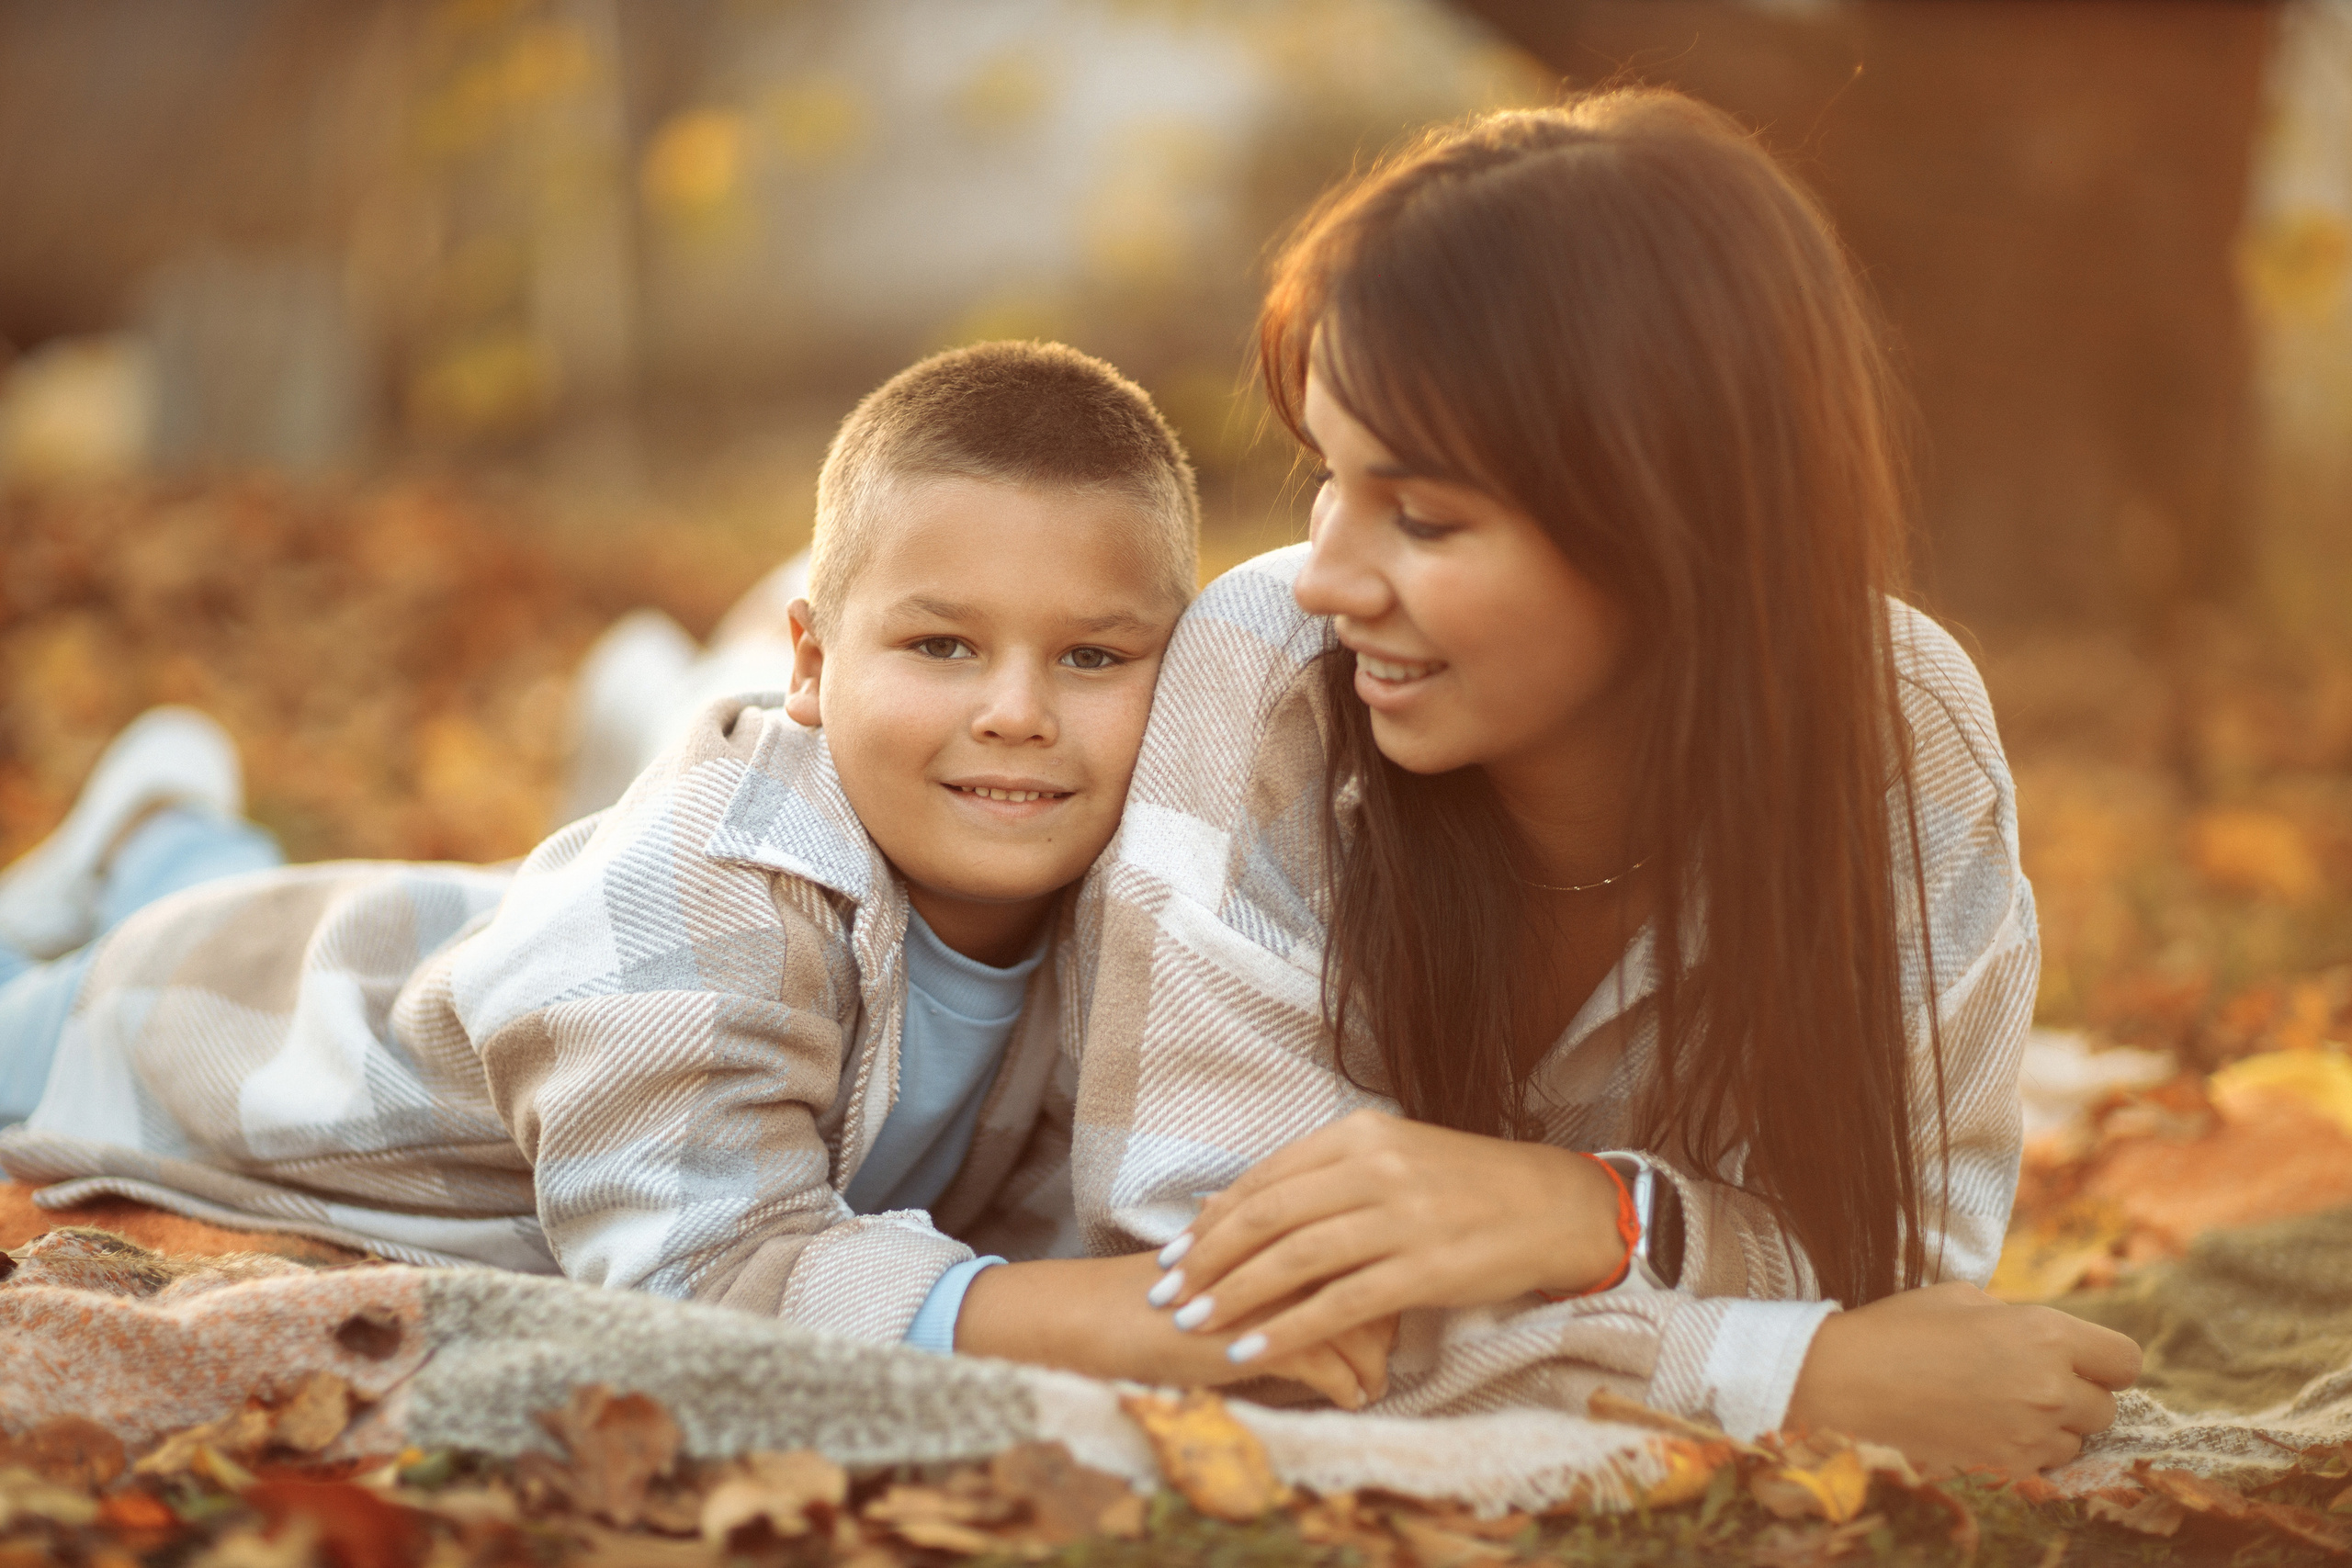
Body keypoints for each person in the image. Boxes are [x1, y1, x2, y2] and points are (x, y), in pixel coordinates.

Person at [955, 93, 2143, 1475]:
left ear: (1674, 525)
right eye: (1329, 477)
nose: (1328, 576)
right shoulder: (1270, 671)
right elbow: (1238, 1313)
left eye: (1423, 517)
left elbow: (1894, 1267)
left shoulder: (1902, 733)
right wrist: (1778, 1374)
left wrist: (1597, 1213)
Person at [0, 342, 1376, 1403]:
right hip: (197, 1024)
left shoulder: (1133, 901)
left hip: (445, 935)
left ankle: (160, 834)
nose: (1017, 711)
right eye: (942, 646)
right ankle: (152, 860)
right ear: (810, 665)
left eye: (1093, 656)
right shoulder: (708, 884)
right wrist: (1144, 1320)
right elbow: (704, 1278)